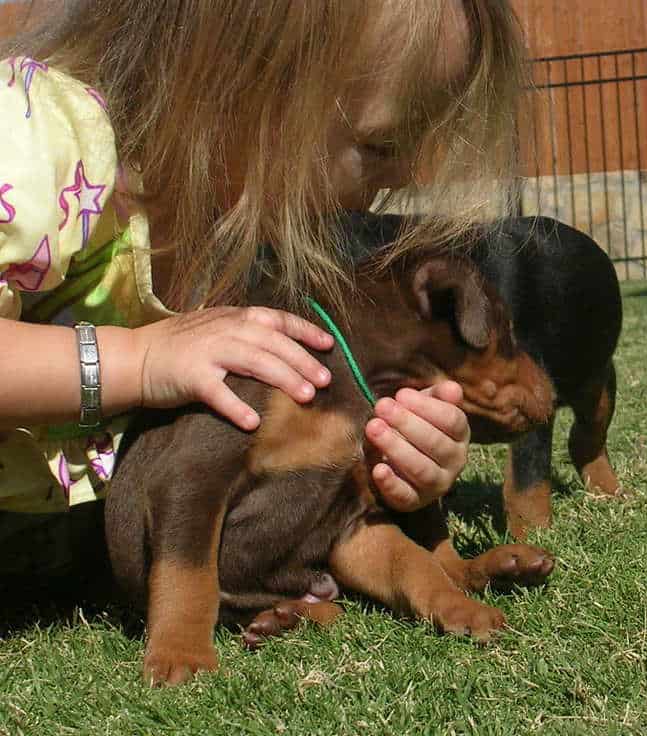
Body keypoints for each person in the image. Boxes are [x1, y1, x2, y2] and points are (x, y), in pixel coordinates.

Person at [0, 0, 527, 577]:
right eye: (382, 145)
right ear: (238, 82)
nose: (406, 175)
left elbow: (239, 455)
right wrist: (138, 358)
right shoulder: (39, 141)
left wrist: (394, 457)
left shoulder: (247, 227)